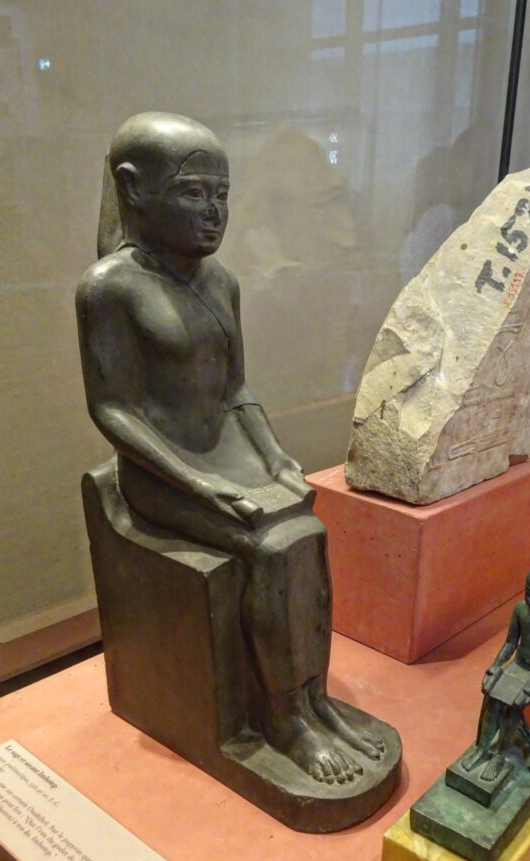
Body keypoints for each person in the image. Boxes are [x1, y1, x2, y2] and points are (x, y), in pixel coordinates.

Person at [76, 113, 383, 786]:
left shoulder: (221, 282)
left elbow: (236, 390)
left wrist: (274, 458)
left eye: (221, 194)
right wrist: (200, 483)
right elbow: (113, 409)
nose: (213, 211)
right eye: (192, 193)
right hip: (160, 475)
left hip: (228, 457)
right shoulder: (110, 288)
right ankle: (284, 718)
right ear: (133, 189)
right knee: (271, 546)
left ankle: (313, 701)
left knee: (309, 530)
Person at [461, 566, 530, 783]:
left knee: (513, 707)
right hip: (517, 666)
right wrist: (496, 665)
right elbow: (510, 643)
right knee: (493, 700)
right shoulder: (520, 610)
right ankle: (482, 748)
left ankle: (499, 756)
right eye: (529, 594)